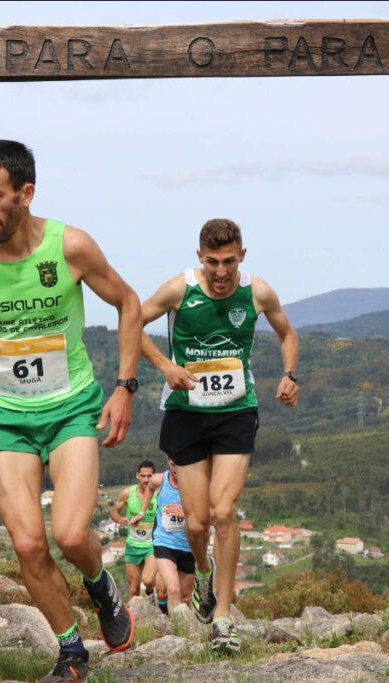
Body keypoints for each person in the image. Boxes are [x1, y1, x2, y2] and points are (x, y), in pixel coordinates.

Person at [0, 140, 142, 682]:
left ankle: (102, 586)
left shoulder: (71, 246)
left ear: (26, 192)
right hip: (5, 417)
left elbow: (129, 304)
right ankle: (71, 653)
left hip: (71, 409)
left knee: (68, 534)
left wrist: (125, 388)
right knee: (26, 542)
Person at [140, 218, 300, 654]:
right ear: (200, 259)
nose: (222, 271)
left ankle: (224, 619)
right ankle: (205, 574)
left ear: (242, 256)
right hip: (186, 413)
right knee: (196, 523)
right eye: (213, 262)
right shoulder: (180, 289)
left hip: (235, 411)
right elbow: (130, 321)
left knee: (223, 510)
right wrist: (165, 366)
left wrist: (289, 373)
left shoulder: (258, 292)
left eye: (229, 261)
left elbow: (287, 332)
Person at [135, 455, 195, 613]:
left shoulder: (196, 483)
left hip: (189, 546)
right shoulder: (159, 480)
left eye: (180, 465)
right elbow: (149, 488)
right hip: (164, 542)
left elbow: (208, 516)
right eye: (173, 464)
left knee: (186, 597)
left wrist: (187, 514)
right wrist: (142, 511)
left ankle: (186, 627)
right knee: (172, 589)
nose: (176, 469)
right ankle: (176, 631)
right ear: (168, 461)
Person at [110, 459, 160, 602]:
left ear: (154, 476)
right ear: (137, 476)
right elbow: (114, 511)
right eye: (143, 476)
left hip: (151, 545)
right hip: (132, 545)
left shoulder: (158, 494)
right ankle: (136, 619)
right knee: (133, 588)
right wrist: (118, 519)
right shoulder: (127, 493)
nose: (145, 480)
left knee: (149, 580)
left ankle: (150, 593)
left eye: (149, 476)